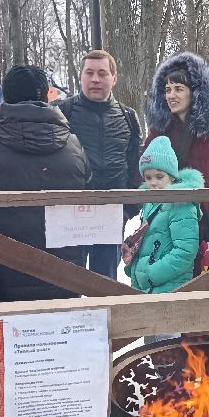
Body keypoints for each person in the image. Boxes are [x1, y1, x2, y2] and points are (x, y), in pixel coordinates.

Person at [0, 65, 89, 302]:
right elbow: (87, 191)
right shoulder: (74, 146)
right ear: (44, 96)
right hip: (64, 275)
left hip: (1, 278)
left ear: (7, 97)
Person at [55, 49, 142, 279]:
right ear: (81, 76)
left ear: (114, 78)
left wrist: (128, 209)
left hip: (111, 216)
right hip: (70, 216)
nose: (95, 79)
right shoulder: (63, 112)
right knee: (67, 284)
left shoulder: (128, 117)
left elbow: (136, 167)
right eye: (89, 73)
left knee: (105, 287)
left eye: (102, 73)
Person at [144, 52, 209, 270]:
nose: (171, 95)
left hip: (205, 223)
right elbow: (145, 170)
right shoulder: (159, 131)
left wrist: (202, 207)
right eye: (167, 90)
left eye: (178, 89)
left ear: (195, 93)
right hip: (162, 222)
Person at [126, 136, 202, 342]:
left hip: (169, 287)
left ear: (172, 176)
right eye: (148, 178)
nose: (153, 183)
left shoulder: (181, 204)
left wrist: (151, 273)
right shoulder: (150, 202)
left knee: (168, 349)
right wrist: (134, 267)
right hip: (150, 289)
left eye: (159, 177)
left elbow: (185, 251)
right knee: (150, 349)